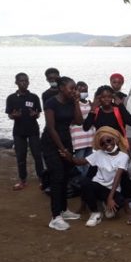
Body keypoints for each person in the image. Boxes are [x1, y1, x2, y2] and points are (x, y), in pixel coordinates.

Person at [63, 126, 130, 227]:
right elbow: (80, 162)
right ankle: (95, 212)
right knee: (85, 182)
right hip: (98, 186)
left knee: (117, 204)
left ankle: (105, 203)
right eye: (103, 143)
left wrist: (110, 198)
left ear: (115, 140)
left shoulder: (123, 156)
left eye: (108, 140)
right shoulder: (99, 154)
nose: (107, 144)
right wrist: (69, 156)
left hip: (112, 190)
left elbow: (118, 177)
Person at [41, 76, 83, 231]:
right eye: (71, 88)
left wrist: (77, 101)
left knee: (66, 176)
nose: (74, 91)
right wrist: (62, 149)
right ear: (61, 88)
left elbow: (79, 121)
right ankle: (55, 217)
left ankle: (64, 210)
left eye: (75, 88)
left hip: (66, 141)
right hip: (51, 143)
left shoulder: (72, 102)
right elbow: (51, 128)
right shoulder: (51, 103)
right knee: (57, 177)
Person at [6, 72, 44, 190]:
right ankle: (22, 180)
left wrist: (35, 114)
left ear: (28, 82)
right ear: (16, 83)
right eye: (21, 81)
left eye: (26, 81)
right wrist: (14, 116)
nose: (24, 83)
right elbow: (9, 115)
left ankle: (42, 179)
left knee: (37, 155)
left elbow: (38, 113)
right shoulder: (11, 98)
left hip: (33, 130)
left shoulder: (34, 97)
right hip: (18, 131)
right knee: (20, 156)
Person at [70, 81, 95, 176]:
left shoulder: (90, 103)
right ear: (76, 91)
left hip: (90, 137)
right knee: (79, 162)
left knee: (88, 162)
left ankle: (86, 181)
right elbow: (74, 120)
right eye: (81, 91)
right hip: (79, 139)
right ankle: (78, 183)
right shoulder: (73, 104)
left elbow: (92, 119)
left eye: (86, 90)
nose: (84, 92)